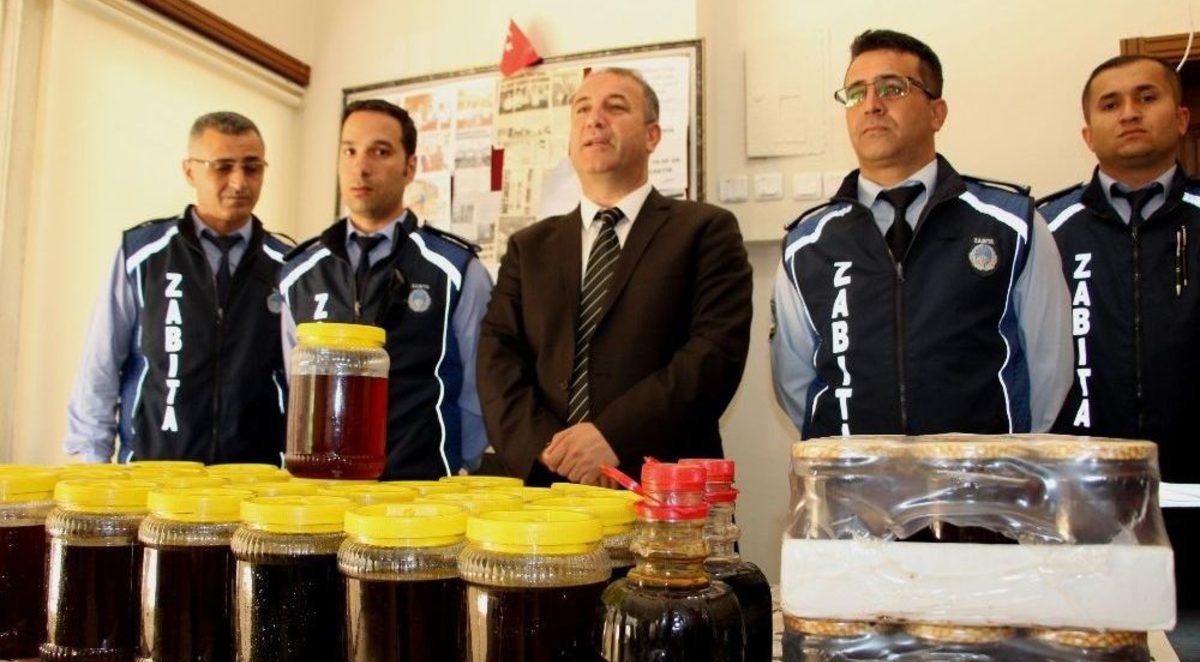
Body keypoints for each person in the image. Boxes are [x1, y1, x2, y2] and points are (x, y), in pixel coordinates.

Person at [771, 29, 1072, 438]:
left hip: (980, 475)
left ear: (937, 113)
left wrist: (1001, 461)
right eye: (856, 93)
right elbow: (796, 385)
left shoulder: (1011, 226)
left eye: (892, 88)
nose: (872, 105)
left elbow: (1049, 372)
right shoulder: (807, 245)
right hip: (854, 475)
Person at [477, 67, 753, 486]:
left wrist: (612, 437)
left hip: (665, 491)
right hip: (547, 490)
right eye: (582, 109)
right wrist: (552, 453)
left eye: (616, 107)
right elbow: (498, 359)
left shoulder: (705, 231)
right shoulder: (527, 248)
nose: (594, 119)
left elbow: (714, 354)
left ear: (652, 136)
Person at [1037, 55, 1199, 609]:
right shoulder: (1042, 230)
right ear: (1088, 134)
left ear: (1181, 118)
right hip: (1082, 506)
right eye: (1110, 104)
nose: (1129, 113)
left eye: (1146, 97)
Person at [278, 99, 491, 479]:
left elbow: (479, 393)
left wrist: (458, 467)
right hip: (322, 494)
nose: (361, 167)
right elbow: (297, 391)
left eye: (380, 152)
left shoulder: (456, 271)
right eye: (350, 151)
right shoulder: (299, 274)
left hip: (423, 491)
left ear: (410, 167)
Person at [64, 111, 291, 464]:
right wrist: (92, 462)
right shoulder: (143, 254)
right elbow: (100, 364)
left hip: (251, 479)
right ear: (189, 171)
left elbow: (300, 380)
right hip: (152, 472)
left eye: (252, 168)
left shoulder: (288, 265)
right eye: (222, 167)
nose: (239, 182)